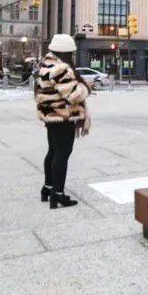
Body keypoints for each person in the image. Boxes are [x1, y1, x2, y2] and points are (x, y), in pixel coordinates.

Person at [34, 34, 91, 208]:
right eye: (71, 53)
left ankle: (47, 188)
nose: (72, 56)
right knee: (62, 155)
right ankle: (58, 194)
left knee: (52, 152)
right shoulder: (61, 69)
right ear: (65, 52)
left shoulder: (44, 64)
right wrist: (86, 87)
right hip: (63, 117)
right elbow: (74, 94)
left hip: (51, 117)